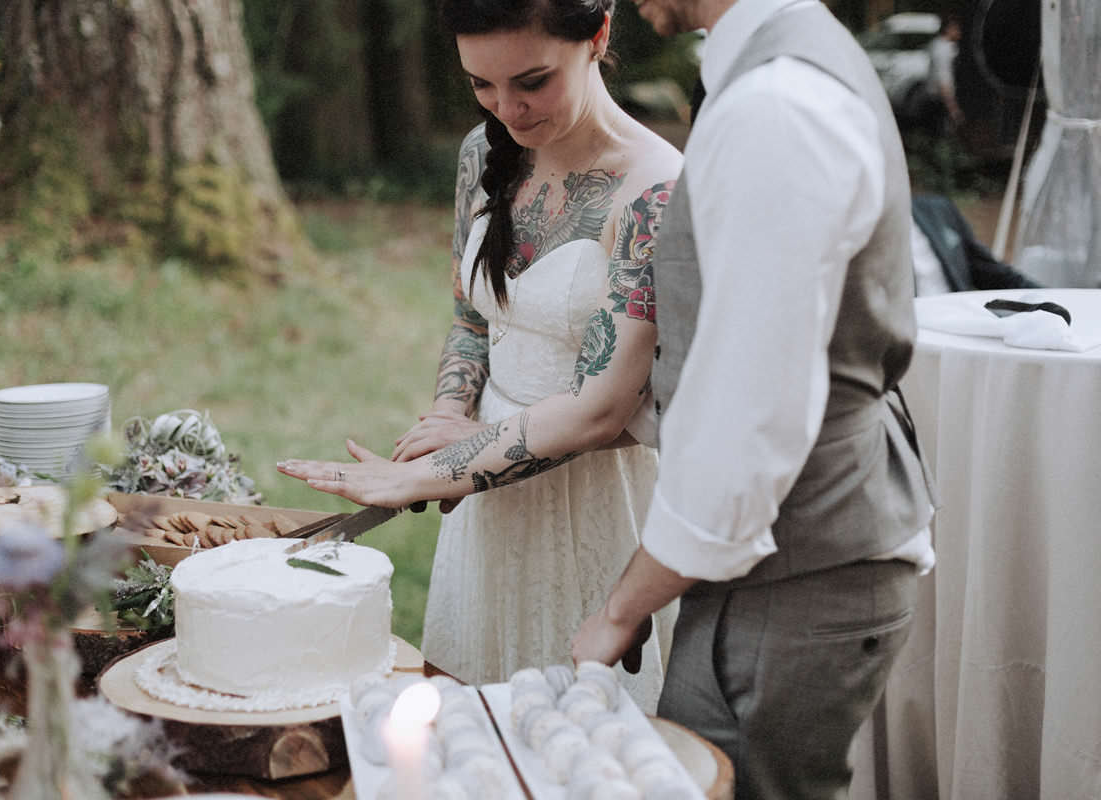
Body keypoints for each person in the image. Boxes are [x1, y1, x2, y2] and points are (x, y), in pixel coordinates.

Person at [569, 0, 936, 798]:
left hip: (792, 578)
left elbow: (748, 421)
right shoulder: (782, 71)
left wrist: (622, 607)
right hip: (788, 565)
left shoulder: (774, 108)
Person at [278, 0, 683, 711]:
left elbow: (602, 409)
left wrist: (438, 470)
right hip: (482, 500)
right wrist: (445, 415)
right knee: (471, 727)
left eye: (532, 81)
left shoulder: (654, 189)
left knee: (584, 746)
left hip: (593, 506)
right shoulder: (482, 151)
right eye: (481, 86)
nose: (509, 111)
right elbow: (472, 315)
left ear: (598, 36)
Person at [910, 192, 1042, 295]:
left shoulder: (937, 210)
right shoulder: (889, 234)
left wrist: (1050, 296)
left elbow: (988, 271)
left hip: (956, 321)